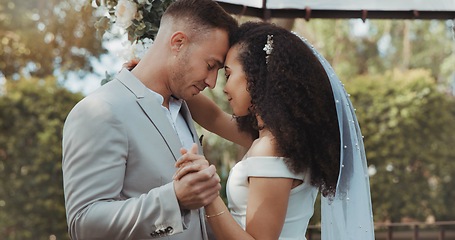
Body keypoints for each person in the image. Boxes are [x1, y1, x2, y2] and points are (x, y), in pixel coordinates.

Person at [174, 21, 375, 240]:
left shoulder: (272, 148)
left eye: (229, 74)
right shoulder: (281, 138)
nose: (223, 87)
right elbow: (214, 117)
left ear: (256, 76)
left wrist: (208, 195)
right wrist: (166, 79)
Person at [61, 0, 238, 239]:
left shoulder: (183, 108)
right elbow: (84, 224)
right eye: (210, 65)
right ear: (178, 43)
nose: (212, 82)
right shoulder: (100, 110)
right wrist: (174, 199)